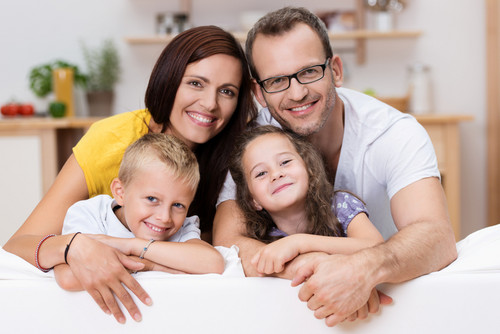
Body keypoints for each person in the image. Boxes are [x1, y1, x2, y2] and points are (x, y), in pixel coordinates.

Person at [212, 7, 457, 327]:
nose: (297, 92)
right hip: (291, 307)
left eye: (310, 71)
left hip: (388, 309)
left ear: (336, 70)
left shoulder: (394, 133)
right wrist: (319, 270)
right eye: (276, 80)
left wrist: (364, 270)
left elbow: (437, 238)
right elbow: (228, 241)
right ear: (259, 92)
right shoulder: (250, 146)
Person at [4, 25, 257, 324]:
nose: (210, 103)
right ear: (169, 81)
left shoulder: (239, 153)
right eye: (196, 83)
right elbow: (18, 245)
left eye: (227, 91)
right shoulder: (111, 140)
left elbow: (223, 257)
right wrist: (73, 246)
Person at [55, 133, 225, 291]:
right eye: (152, 199)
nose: (165, 217)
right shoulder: (90, 215)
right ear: (120, 192)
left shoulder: (182, 227)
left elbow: (213, 263)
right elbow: (68, 278)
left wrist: (132, 246)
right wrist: (152, 266)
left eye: (178, 205)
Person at [229, 125, 384, 277]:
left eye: (285, 162)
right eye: (261, 173)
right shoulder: (262, 240)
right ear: (252, 200)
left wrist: (300, 243)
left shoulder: (340, 206)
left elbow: (377, 247)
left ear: (308, 167)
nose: (276, 174)